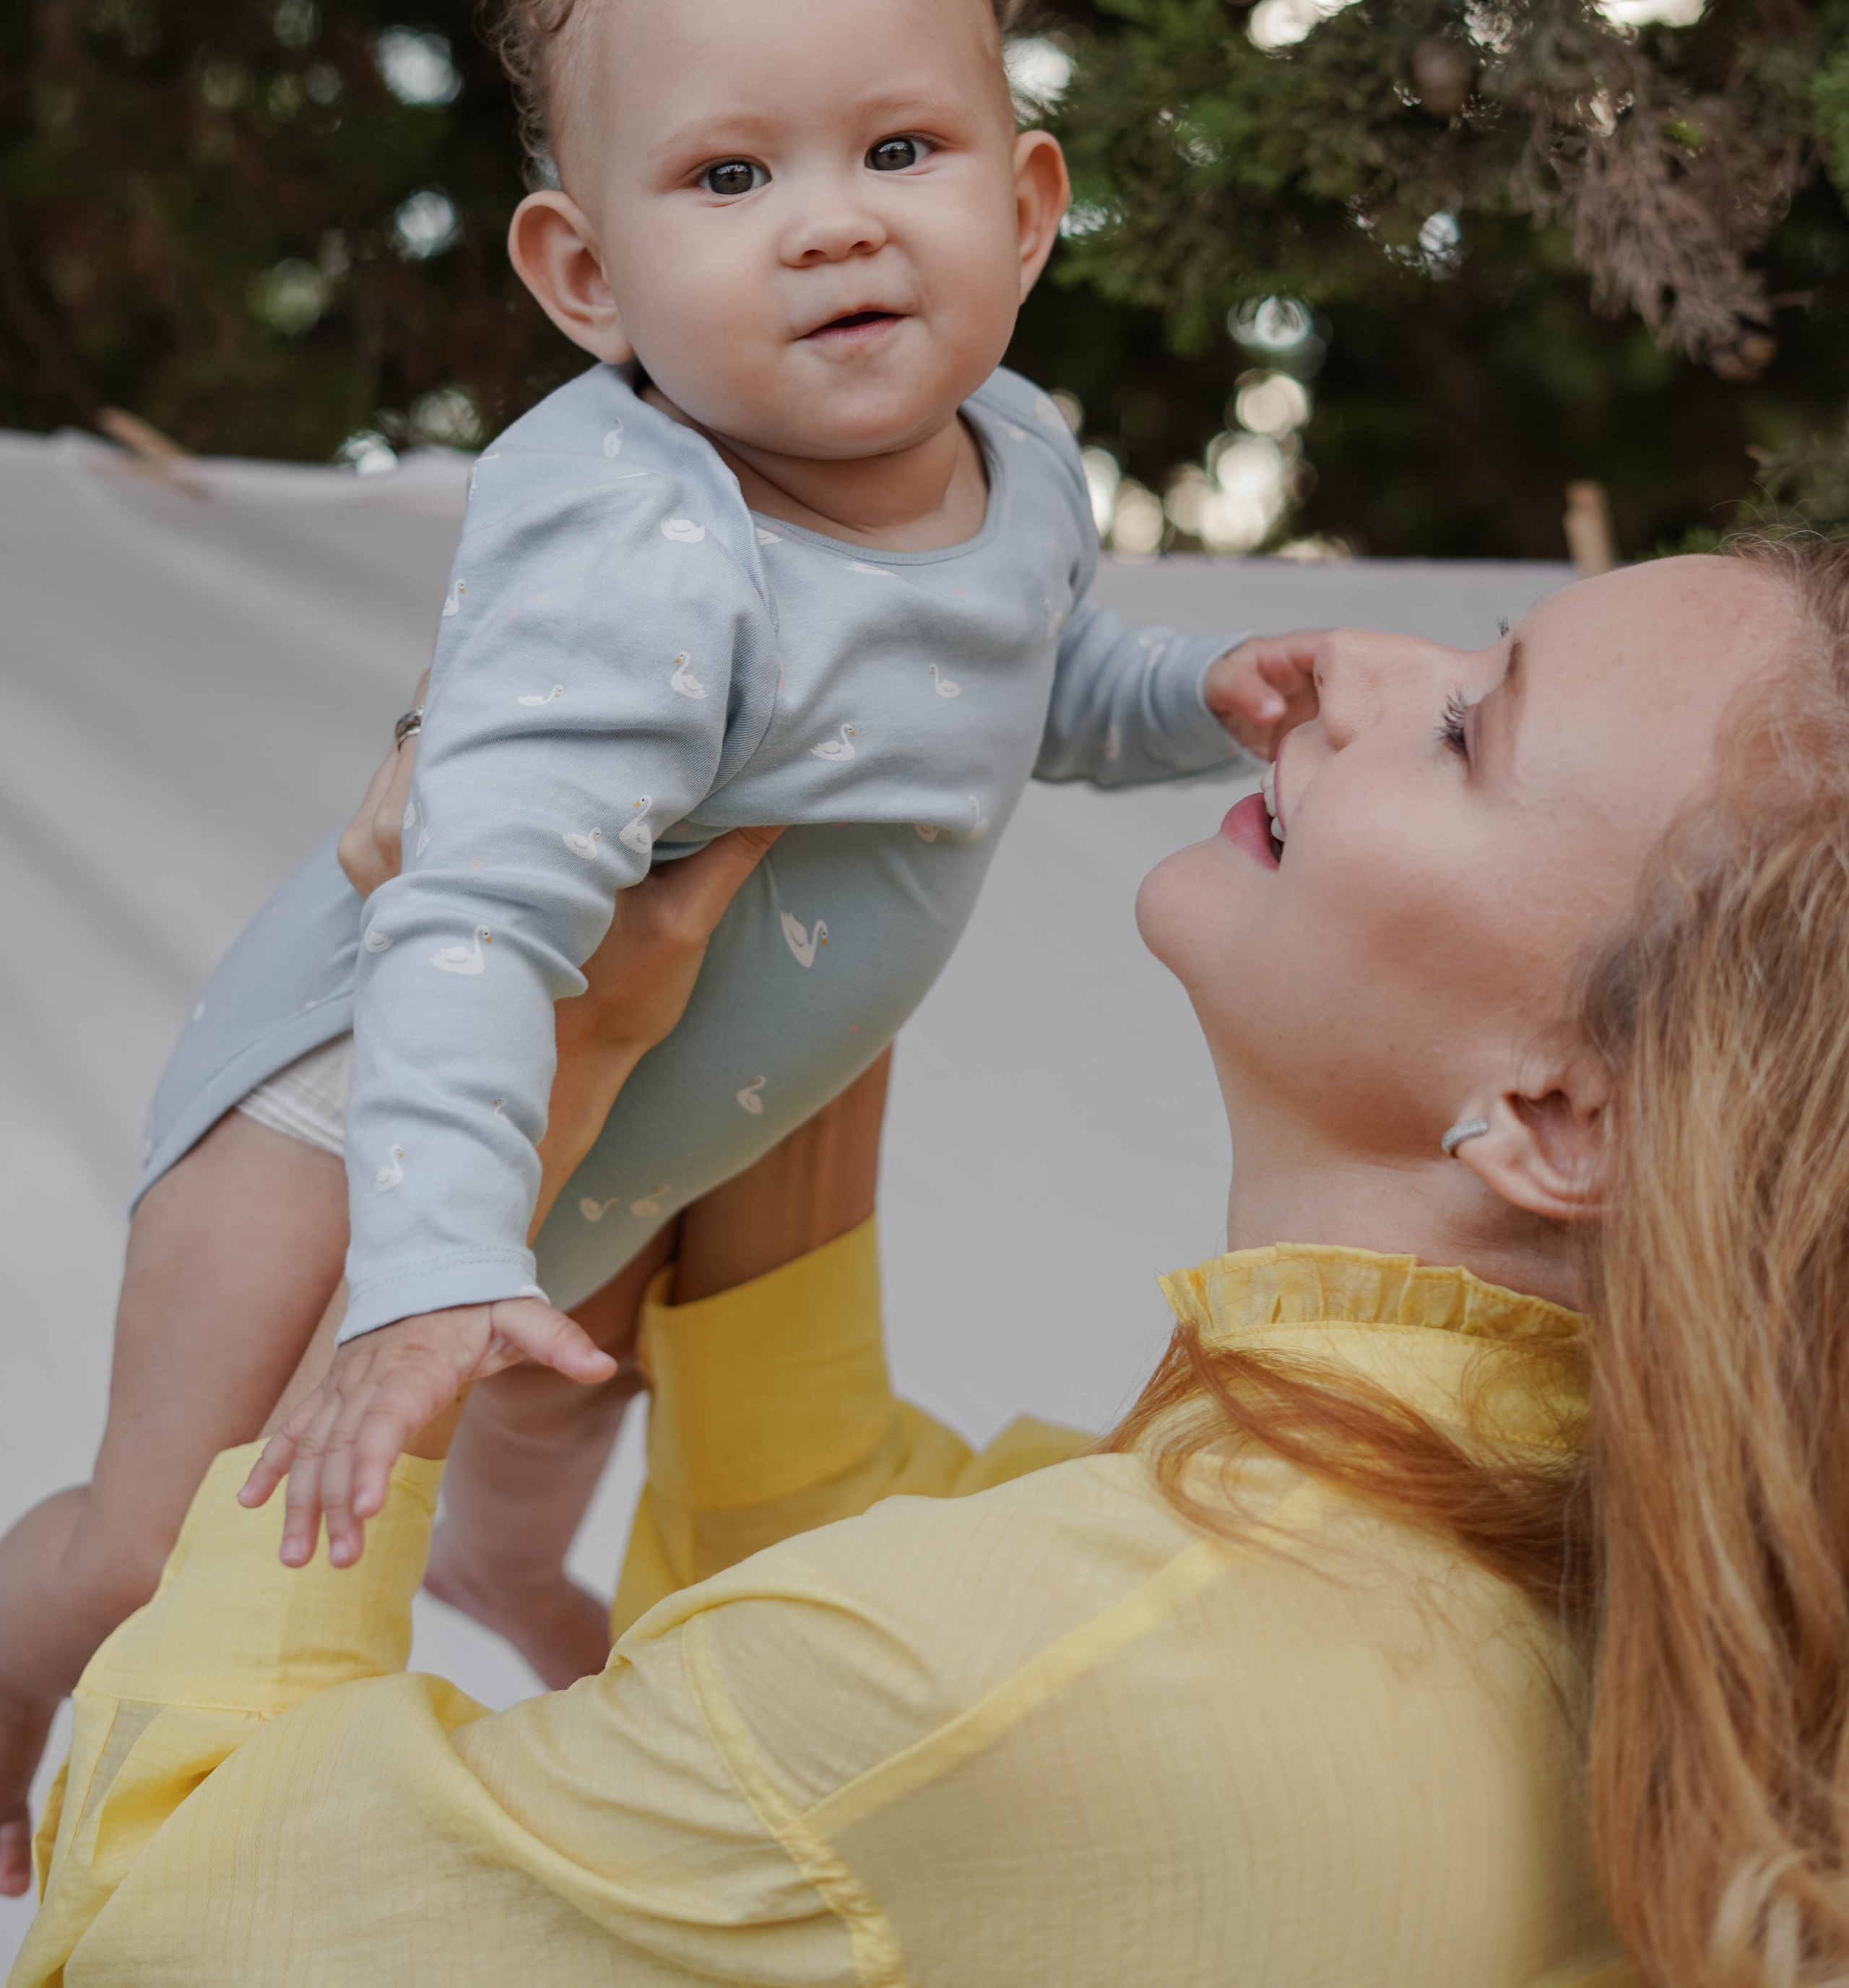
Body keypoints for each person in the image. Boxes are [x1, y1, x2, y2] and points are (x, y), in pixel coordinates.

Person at [0, 0, 1326, 1887]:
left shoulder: (1017, 457)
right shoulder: (644, 557)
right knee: (177, 1535)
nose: (835, 218)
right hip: (369, 1108)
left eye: (903, 151)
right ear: (587, 276)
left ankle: (519, 1589)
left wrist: (1195, 701)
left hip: (638, 1125)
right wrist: (422, 1264)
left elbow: (1024, 684)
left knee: (560, 1410)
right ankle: (16, 1657)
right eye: (732, 175)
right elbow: (472, 916)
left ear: (1032, 202)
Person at [20, 536, 1849, 1987]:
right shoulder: (1558, 1593)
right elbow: (844, 1605)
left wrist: (514, 1100)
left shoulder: (1025, 1684)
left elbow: (158, 1927)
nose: (1356, 667)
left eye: (1468, 731)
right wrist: (830, 897)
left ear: (1556, 1122)